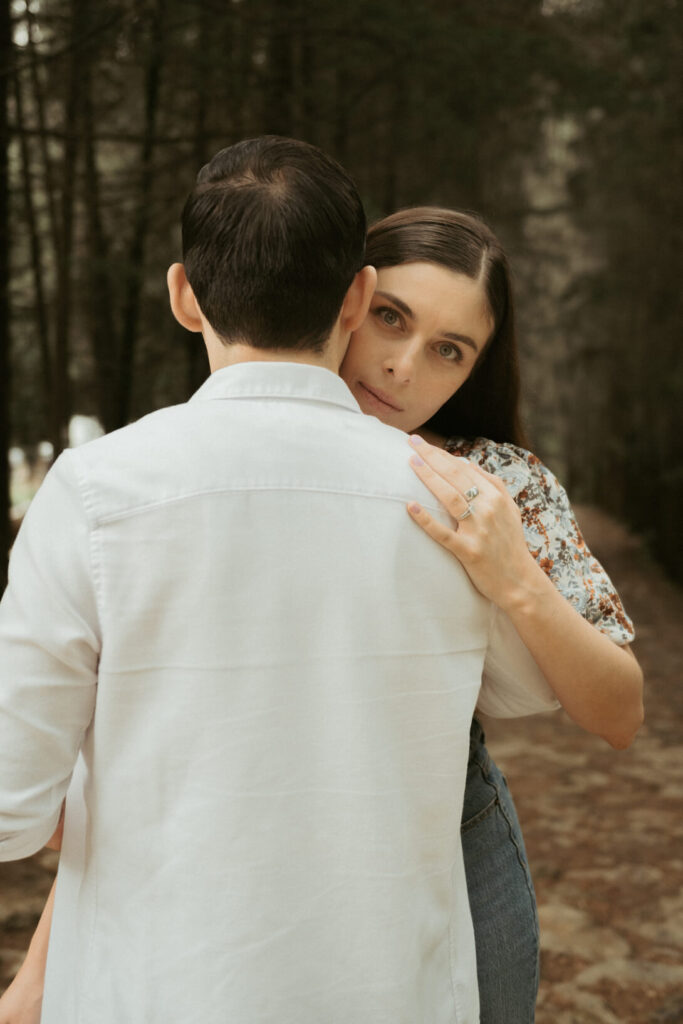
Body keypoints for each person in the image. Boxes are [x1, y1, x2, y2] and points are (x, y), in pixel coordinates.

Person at [0, 138, 566, 1024]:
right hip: (391, 989)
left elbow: (11, 805)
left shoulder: (94, 491)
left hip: (152, 987)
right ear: (357, 299)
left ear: (184, 296)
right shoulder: (455, 498)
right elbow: (531, 689)